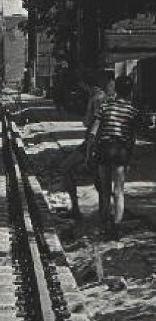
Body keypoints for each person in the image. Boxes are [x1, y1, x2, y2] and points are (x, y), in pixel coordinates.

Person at [88, 77, 137, 238]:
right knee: (119, 191)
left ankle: (103, 223)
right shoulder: (131, 110)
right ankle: (116, 227)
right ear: (130, 91)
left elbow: (93, 131)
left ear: (116, 89)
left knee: (104, 189)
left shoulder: (105, 106)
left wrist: (90, 151)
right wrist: (129, 157)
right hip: (121, 150)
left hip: (105, 148)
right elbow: (131, 137)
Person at [59, 76, 109, 220]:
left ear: (88, 85)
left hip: (92, 143)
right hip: (103, 143)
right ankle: (103, 214)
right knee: (99, 179)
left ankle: (76, 209)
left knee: (66, 167)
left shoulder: (95, 98)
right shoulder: (106, 97)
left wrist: (88, 154)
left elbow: (87, 123)